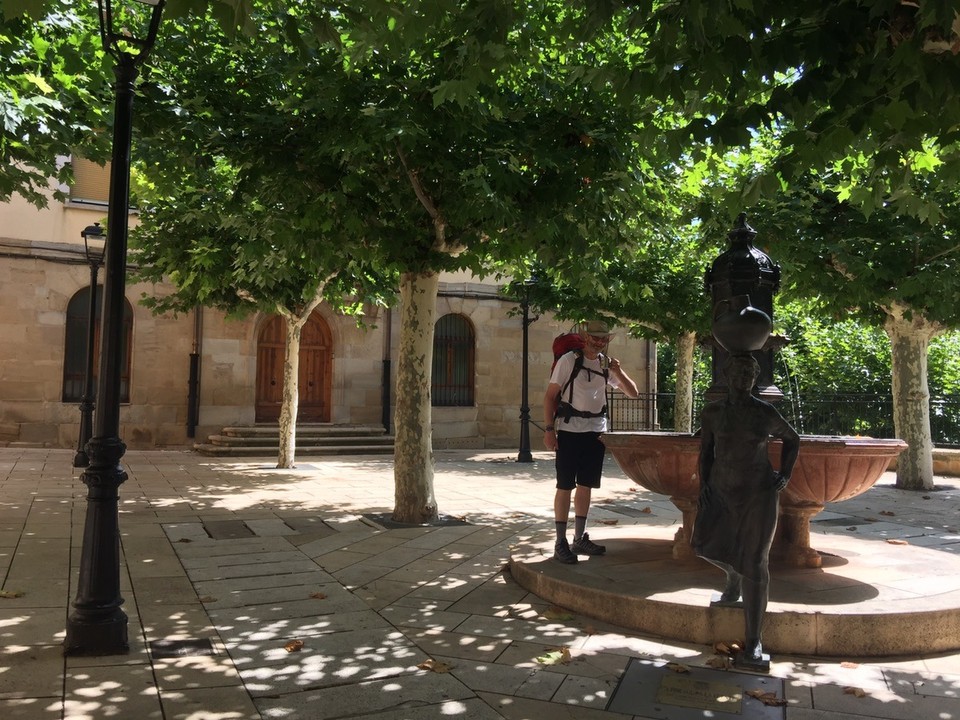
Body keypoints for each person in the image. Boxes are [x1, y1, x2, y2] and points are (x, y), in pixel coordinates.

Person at [691, 353, 800, 666]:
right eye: (739, 372)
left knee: (755, 563)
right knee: (702, 545)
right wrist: (704, 488)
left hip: (758, 493)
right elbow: (705, 453)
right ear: (727, 375)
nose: (745, 378)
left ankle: (754, 641)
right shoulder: (712, 412)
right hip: (720, 490)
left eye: (750, 373)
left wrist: (785, 474)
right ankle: (733, 574)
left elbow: (792, 439)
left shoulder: (764, 412)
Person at [544, 320, 639, 564]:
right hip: (569, 430)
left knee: (586, 486)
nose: (599, 342)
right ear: (585, 337)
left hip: (596, 433)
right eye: (595, 337)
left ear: (608, 340)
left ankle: (579, 538)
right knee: (565, 486)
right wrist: (548, 430)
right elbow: (550, 396)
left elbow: (633, 392)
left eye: (603, 338)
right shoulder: (569, 361)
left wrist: (618, 372)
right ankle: (560, 542)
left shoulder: (607, 365)